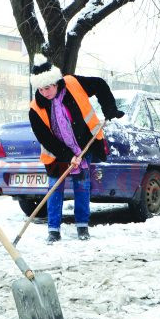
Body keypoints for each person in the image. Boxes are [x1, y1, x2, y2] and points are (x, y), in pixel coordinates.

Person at [28, 54, 124, 244]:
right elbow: (45, 139)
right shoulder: (35, 109)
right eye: (40, 89)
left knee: (82, 186)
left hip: (83, 146)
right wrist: (68, 155)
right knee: (55, 189)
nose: (45, 92)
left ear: (56, 82)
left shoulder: (72, 83)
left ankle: (82, 227)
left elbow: (100, 84)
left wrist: (109, 108)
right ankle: (53, 230)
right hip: (56, 154)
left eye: (48, 87)